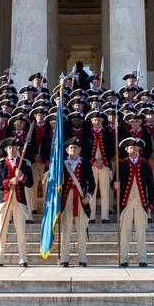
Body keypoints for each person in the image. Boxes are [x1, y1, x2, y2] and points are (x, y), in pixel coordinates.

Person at [0, 137, 34, 266]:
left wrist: (21, 176)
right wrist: (9, 182)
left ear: (18, 149)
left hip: (19, 201)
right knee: (1, 231)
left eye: (15, 147)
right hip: (4, 200)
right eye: (10, 148)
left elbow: (30, 183)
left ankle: (23, 258)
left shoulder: (25, 163)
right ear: (6, 149)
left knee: (21, 231)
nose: (12, 150)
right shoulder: (1, 164)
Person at [113, 137, 153, 267]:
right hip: (126, 202)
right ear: (126, 150)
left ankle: (142, 258)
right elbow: (113, 183)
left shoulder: (145, 165)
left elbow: (151, 185)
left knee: (141, 231)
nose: (133, 150)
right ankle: (124, 258)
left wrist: (150, 203)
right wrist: (115, 185)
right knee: (125, 231)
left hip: (141, 202)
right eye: (131, 148)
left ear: (139, 149)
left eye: (135, 148)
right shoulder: (121, 165)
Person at [60, 137, 95, 267]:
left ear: (79, 150)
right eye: (71, 148)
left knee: (81, 230)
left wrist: (89, 196)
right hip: (66, 200)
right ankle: (64, 259)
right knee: (65, 230)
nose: (73, 150)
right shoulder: (62, 164)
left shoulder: (85, 164)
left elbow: (92, 183)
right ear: (67, 150)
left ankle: (82, 259)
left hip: (81, 199)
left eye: (76, 148)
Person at [81, 109, 115, 223]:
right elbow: (83, 151)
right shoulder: (86, 135)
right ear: (92, 121)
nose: (98, 122)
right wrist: (92, 161)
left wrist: (103, 160)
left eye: (99, 120)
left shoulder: (107, 134)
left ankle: (105, 217)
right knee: (92, 191)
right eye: (95, 120)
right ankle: (91, 216)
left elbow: (111, 150)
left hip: (104, 166)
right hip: (91, 167)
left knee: (105, 191)